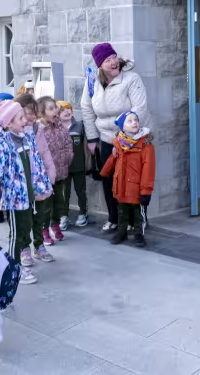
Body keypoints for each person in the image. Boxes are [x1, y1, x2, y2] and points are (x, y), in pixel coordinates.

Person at [81, 43, 150, 233]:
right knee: (108, 179)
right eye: (107, 60)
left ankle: (135, 220)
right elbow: (86, 108)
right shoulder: (92, 82)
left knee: (131, 180)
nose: (113, 62)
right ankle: (114, 218)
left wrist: (122, 139)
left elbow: (139, 109)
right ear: (100, 65)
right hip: (105, 138)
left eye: (114, 57)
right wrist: (93, 139)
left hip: (131, 139)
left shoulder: (131, 79)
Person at [0, 100, 54, 284]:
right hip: (14, 198)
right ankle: (13, 271)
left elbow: (37, 165)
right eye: (20, 118)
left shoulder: (27, 139)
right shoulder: (1, 145)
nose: (25, 120)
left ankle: (17, 266)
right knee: (17, 237)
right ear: (8, 122)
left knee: (25, 231)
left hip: (28, 196)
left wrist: (42, 186)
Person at [100, 111, 154, 247]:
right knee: (122, 211)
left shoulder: (146, 145)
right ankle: (121, 231)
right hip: (121, 186)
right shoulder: (119, 143)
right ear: (122, 127)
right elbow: (113, 160)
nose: (134, 122)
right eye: (129, 121)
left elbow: (149, 169)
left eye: (136, 120)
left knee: (138, 213)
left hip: (136, 187)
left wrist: (146, 190)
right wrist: (103, 173)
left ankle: (138, 234)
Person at [15, 93, 57, 248]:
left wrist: (50, 177)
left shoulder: (37, 131)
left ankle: (39, 246)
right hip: (22, 185)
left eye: (34, 113)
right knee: (25, 221)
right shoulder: (12, 134)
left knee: (40, 217)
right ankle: (25, 249)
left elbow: (46, 155)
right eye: (29, 113)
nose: (33, 117)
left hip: (39, 183)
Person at [37, 96, 73, 242]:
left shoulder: (59, 126)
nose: (55, 111)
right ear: (41, 112)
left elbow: (68, 143)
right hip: (45, 175)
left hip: (60, 171)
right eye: (50, 108)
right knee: (46, 204)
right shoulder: (39, 129)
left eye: (55, 107)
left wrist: (68, 157)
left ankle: (55, 224)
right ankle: (44, 229)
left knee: (59, 201)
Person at [58, 100, 88, 228]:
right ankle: (63, 216)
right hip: (63, 167)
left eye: (68, 108)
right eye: (62, 109)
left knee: (80, 190)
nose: (66, 111)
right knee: (65, 192)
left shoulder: (80, 126)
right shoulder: (55, 128)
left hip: (78, 165)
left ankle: (83, 213)